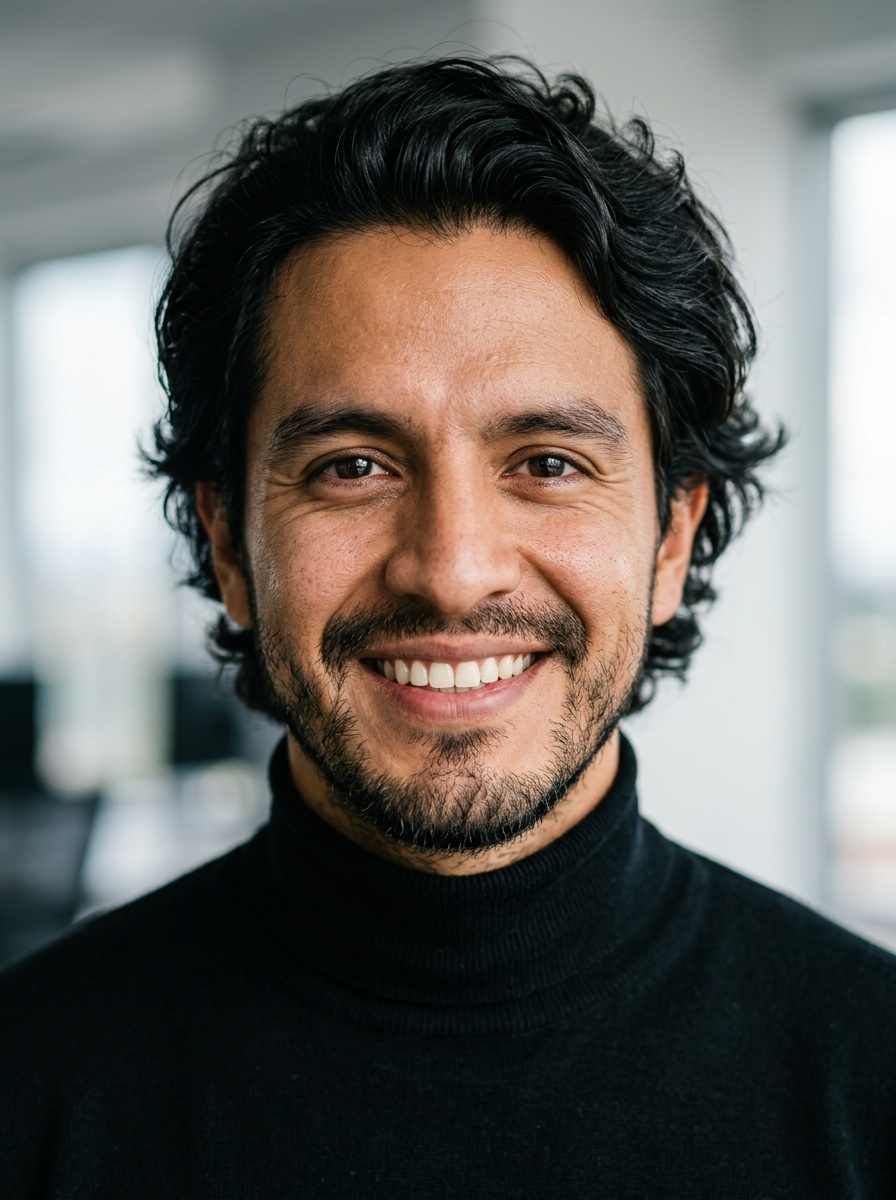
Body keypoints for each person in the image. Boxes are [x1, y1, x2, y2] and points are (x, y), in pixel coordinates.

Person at [1, 55, 894, 1199]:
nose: (452, 570)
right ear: (227, 545)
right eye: (353, 466)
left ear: (670, 541)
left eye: (547, 463)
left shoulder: (868, 1084)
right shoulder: (28, 1089)